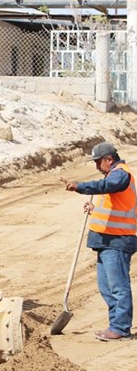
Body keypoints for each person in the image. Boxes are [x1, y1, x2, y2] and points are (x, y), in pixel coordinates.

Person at [61, 142, 136, 341]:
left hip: (118, 241)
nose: (96, 167)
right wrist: (94, 209)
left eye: (97, 162)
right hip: (106, 241)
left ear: (109, 159)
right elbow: (115, 207)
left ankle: (121, 328)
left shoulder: (121, 174)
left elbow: (107, 186)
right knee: (106, 287)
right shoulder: (112, 175)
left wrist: (80, 186)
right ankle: (116, 325)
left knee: (119, 287)